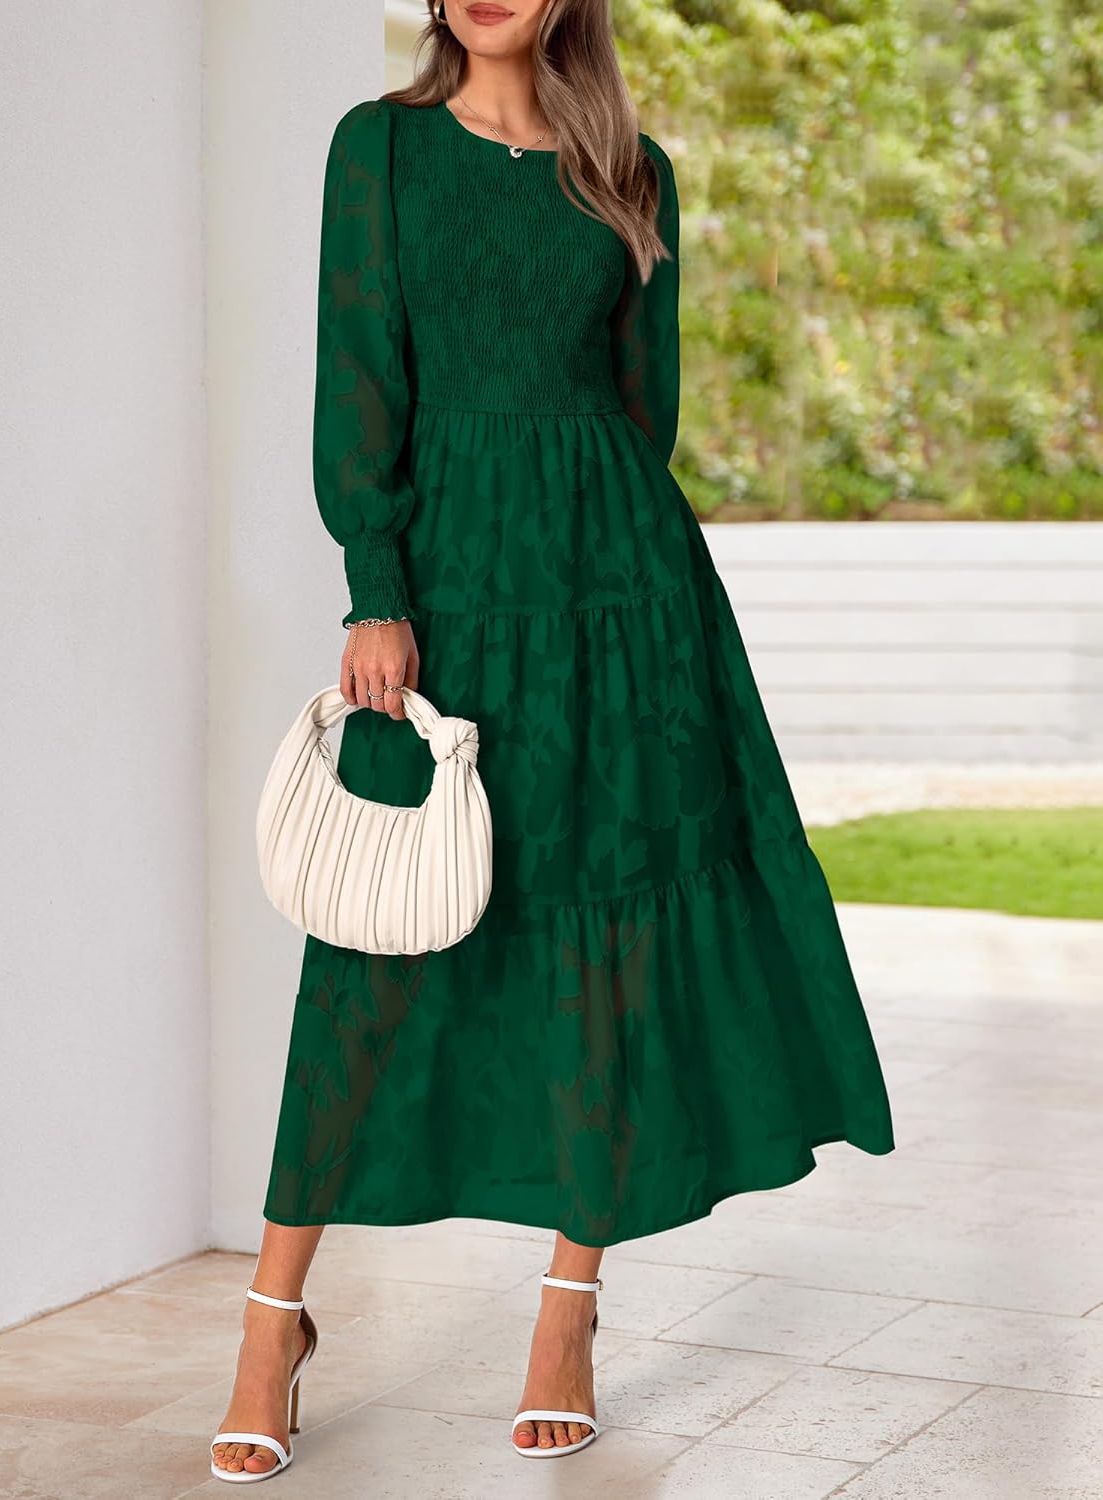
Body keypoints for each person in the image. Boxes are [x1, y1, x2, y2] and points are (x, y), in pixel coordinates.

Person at [210, 0, 895, 1481]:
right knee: (381, 944)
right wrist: (377, 586)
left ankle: (568, 1308)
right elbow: (359, 371)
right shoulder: (380, 149)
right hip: (450, 585)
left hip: (622, 596)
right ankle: (272, 1322)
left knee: (608, 929)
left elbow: (646, 409)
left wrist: (616, 574)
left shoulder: (631, 171)